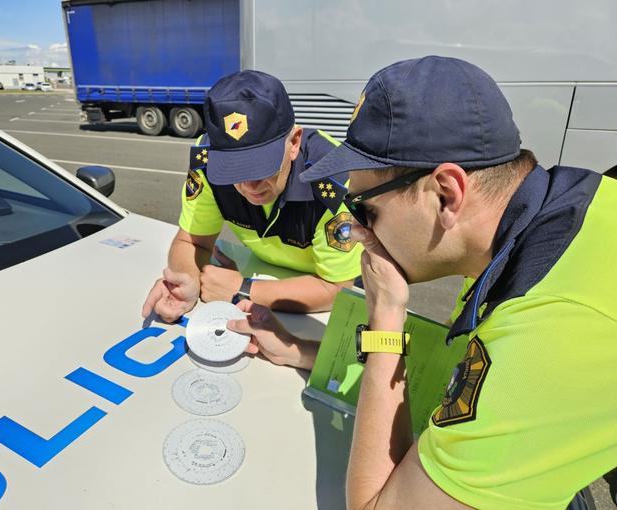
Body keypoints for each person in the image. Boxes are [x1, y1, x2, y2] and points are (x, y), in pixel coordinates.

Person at [227, 56, 617, 509]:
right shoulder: (560, 219)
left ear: (447, 194)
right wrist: (302, 352)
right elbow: (445, 383)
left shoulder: (545, 337)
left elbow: (376, 505)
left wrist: (385, 318)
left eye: (365, 209)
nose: (358, 232)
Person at [142, 70, 363, 323]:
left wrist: (243, 288)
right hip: (267, 276)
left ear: (294, 143)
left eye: (261, 168)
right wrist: (188, 280)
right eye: (233, 170)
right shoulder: (207, 163)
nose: (249, 186)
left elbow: (337, 288)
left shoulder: (333, 179)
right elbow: (191, 242)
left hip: (324, 290)